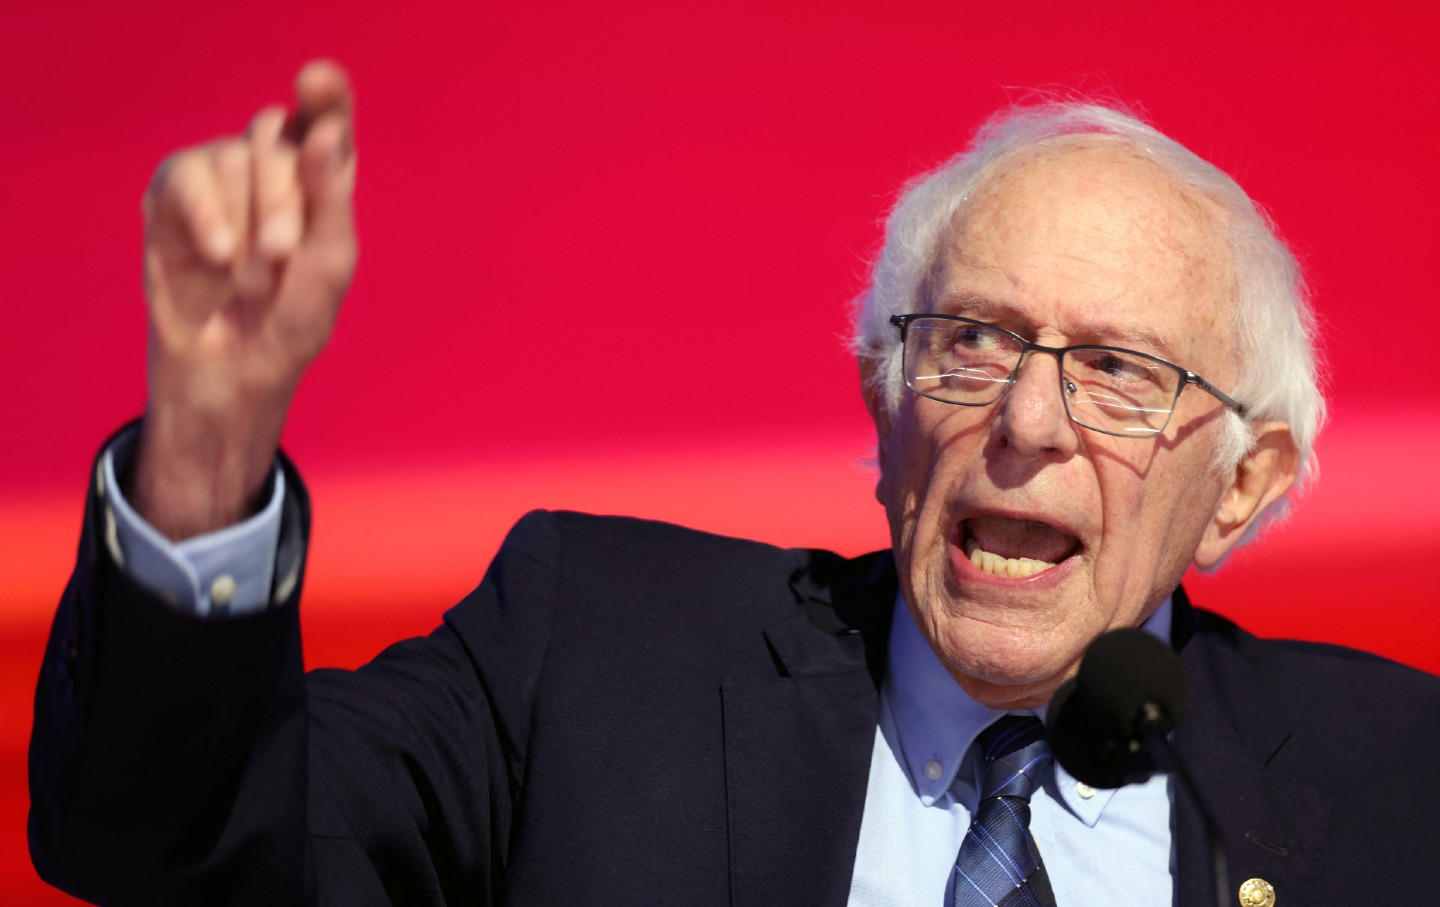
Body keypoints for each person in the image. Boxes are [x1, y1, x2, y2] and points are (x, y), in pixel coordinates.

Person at [29, 61, 1440, 907]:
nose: (1024, 418)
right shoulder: (589, 653)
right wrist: (207, 452)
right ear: (887, 401)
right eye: (975, 340)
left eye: (1120, 372)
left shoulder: (1396, 777)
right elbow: (178, 847)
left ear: (1242, 484)